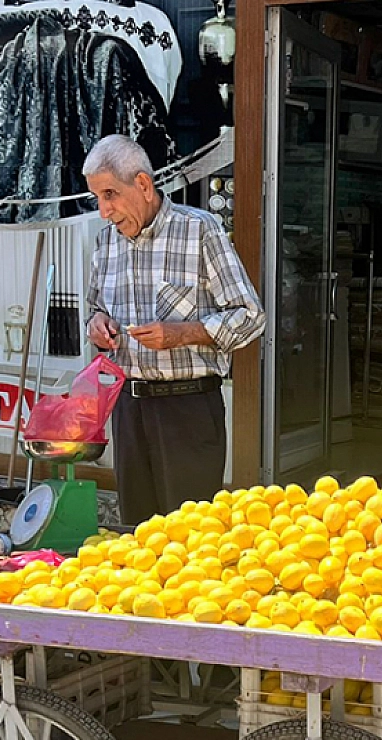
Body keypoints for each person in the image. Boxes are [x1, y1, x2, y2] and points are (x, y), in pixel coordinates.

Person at [83, 134, 265, 525]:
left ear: (144, 185)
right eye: (97, 198)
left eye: (110, 194)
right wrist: (97, 325)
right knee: (138, 535)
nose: (104, 210)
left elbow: (250, 316)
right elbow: (95, 308)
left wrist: (183, 333)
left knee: (190, 538)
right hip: (129, 408)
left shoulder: (200, 230)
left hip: (187, 409)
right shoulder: (105, 243)